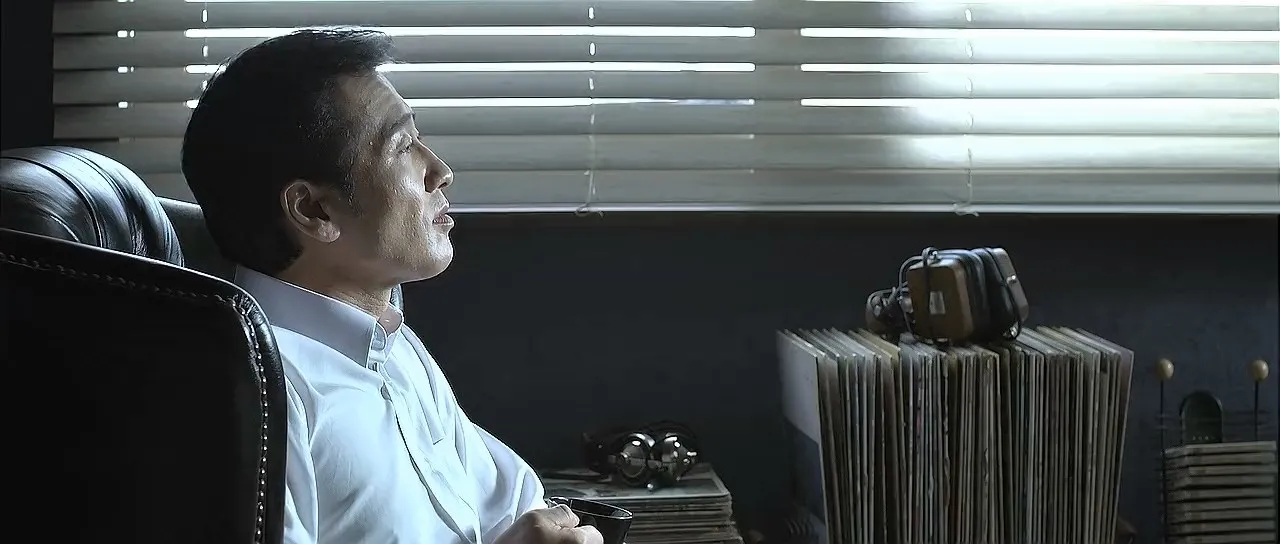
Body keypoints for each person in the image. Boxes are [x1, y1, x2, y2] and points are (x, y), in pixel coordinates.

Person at [181, 28, 603, 544]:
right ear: (314, 210)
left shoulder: (393, 347)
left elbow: (512, 505)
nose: (440, 171)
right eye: (403, 146)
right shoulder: (255, 392)